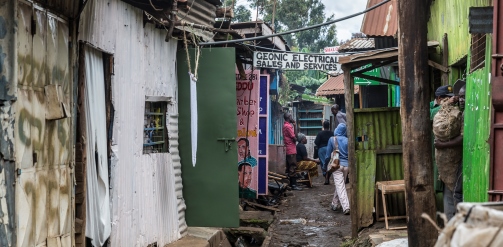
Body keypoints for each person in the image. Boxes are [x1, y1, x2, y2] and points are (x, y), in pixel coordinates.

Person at [434, 85, 464, 220]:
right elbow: (428, 113)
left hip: (453, 159)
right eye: (447, 98)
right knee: (445, 189)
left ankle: (454, 224)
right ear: (439, 99)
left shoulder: (457, 112)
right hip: (438, 161)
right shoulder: (434, 110)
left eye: (453, 98)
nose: (453, 100)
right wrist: (444, 106)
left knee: (454, 190)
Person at [325, 123, 350, 215]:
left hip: (336, 166)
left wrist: (325, 166)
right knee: (340, 185)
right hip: (346, 166)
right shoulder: (348, 140)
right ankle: (334, 204)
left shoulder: (332, 139)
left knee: (340, 186)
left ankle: (346, 207)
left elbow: (327, 155)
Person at [283, 112, 302, 190]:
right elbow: (295, 137)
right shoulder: (288, 126)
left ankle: (292, 184)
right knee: (292, 166)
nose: (292, 118)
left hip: (288, 148)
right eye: (291, 116)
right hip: (291, 149)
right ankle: (293, 185)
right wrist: (294, 126)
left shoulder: (285, 126)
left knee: (290, 166)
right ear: (288, 117)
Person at [314, 120, 333, 184]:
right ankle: (328, 175)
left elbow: (316, 142)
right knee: (330, 163)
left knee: (323, 164)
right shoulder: (331, 133)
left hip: (322, 150)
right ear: (329, 126)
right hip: (330, 149)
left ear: (323, 126)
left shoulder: (320, 133)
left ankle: (325, 176)